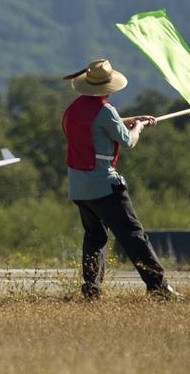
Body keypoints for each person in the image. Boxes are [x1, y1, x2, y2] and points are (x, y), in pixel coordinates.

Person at [61, 59, 178, 301]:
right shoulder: (105, 111)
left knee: (95, 237)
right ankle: (158, 287)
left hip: (79, 187)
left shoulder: (73, 110)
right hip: (104, 185)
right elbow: (128, 141)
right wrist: (140, 128)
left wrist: (134, 119)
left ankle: (92, 289)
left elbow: (100, 126)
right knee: (133, 234)